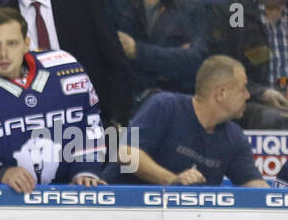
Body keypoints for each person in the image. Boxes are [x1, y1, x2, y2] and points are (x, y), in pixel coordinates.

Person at [0, 6, 107, 190]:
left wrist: (85, 169)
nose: (3, 53)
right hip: (1, 200)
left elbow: (91, 122)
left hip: (66, 192)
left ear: (27, 43)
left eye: (12, 43)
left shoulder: (66, 67)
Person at [0, 0, 132, 125]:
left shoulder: (82, 0)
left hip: (91, 114)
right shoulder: (2, 18)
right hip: (32, 120)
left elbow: (116, 64)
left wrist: (116, 121)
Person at [112, 55, 269, 186]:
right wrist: (173, 181)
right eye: (243, 89)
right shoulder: (165, 106)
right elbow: (127, 153)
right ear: (221, 93)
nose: (248, 96)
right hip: (122, 209)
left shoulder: (234, 137)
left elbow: (256, 186)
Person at [210, 0, 288, 129]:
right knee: (277, 120)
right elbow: (223, 67)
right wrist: (260, 93)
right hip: (253, 101)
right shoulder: (235, 11)